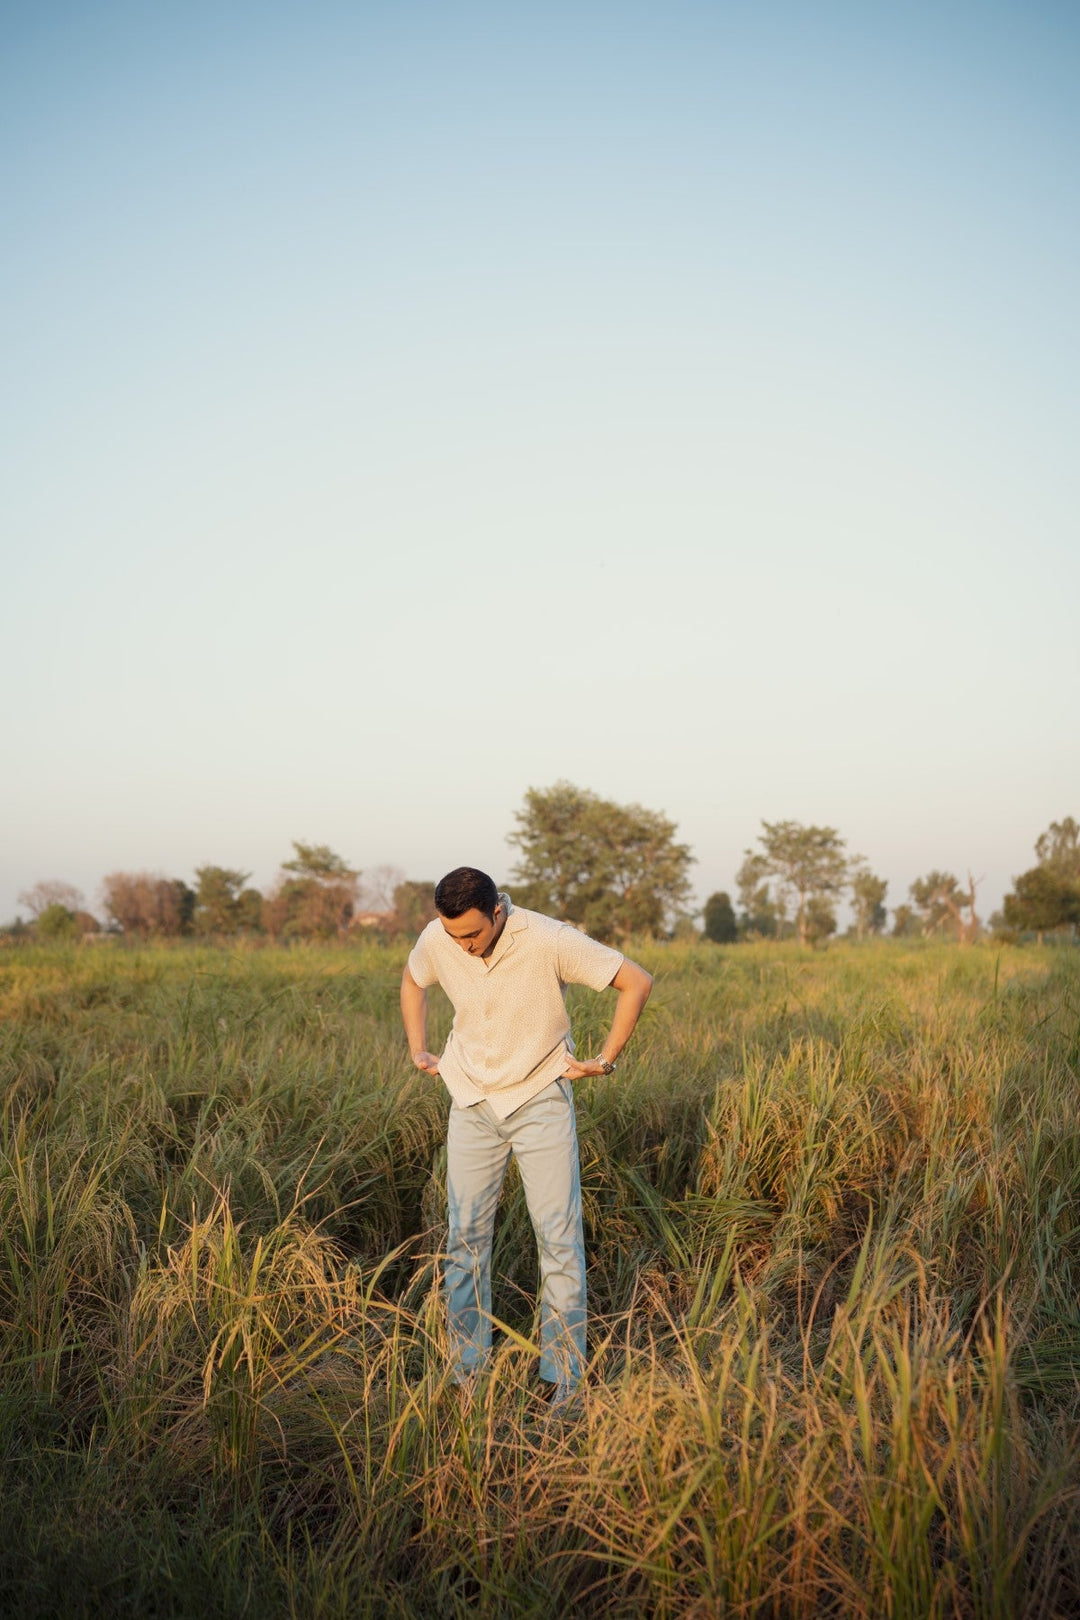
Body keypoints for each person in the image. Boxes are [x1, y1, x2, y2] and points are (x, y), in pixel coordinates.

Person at [400, 865, 653, 1403]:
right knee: (464, 1240)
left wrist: (603, 1062)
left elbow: (636, 981)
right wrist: (417, 1046)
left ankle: (563, 1382)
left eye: (472, 934)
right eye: (453, 936)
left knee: (558, 1241)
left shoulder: (548, 938)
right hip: (470, 1098)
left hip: (539, 1099)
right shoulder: (439, 937)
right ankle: (467, 1372)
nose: (463, 946)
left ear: (497, 912)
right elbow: (412, 979)